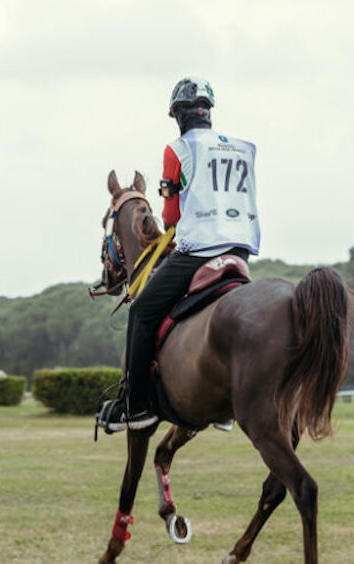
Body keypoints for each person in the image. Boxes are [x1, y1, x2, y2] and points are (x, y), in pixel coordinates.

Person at [98, 76, 260, 433]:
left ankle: (136, 407)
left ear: (179, 115)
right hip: (241, 251)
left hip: (199, 250)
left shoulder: (179, 149)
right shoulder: (242, 147)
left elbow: (170, 217)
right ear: (208, 113)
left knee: (141, 310)